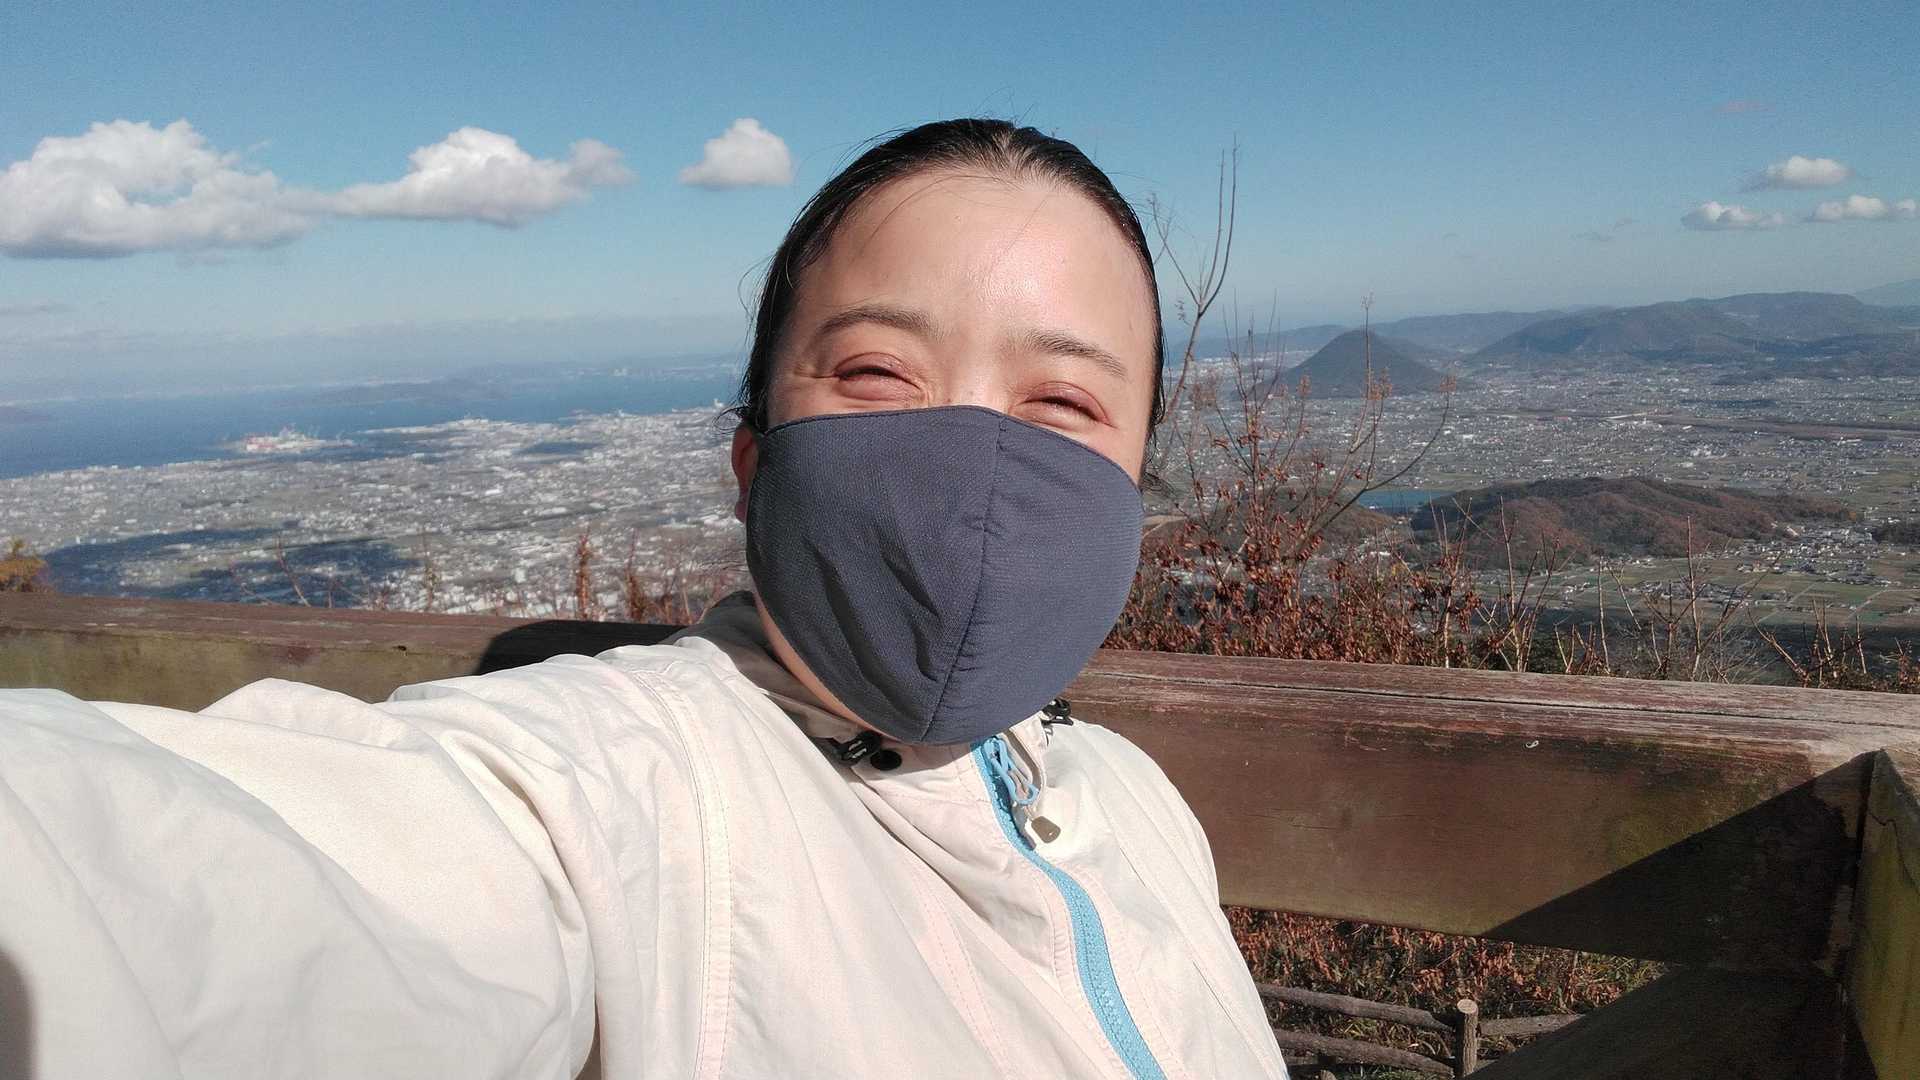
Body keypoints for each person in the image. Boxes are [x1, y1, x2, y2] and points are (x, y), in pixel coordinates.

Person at [0, 119, 1288, 1079]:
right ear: (755, 459)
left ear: (1132, 482)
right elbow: (175, 887)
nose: (972, 461)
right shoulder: (624, 800)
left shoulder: (1136, 803)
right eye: (877, 372)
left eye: (1063, 400)